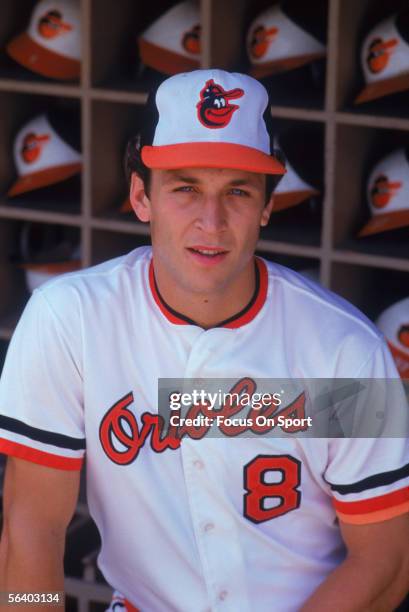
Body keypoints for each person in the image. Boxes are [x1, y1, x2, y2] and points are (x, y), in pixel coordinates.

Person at [0, 69, 408, 612]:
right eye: (185, 188)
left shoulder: (343, 350)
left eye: (237, 191)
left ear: (267, 205)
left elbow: (386, 561)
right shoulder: (69, 320)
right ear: (141, 196)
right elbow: (32, 527)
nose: (211, 222)